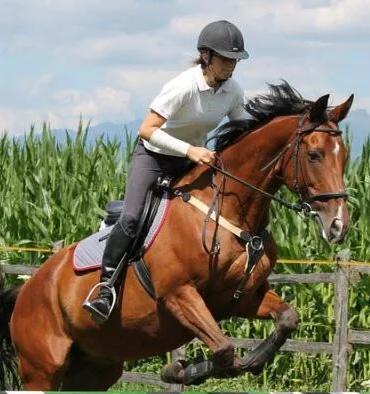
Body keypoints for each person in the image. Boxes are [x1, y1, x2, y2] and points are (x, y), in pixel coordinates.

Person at [83, 19, 251, 324]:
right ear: (205, 55)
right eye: (226, 58)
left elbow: (242, 129)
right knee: (131, 218)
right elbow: (147, 129)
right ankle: (105, 288)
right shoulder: (183, 86)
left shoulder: (232, 91)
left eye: (235, 60)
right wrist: (190, 150)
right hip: (154, 158)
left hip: (191, 162)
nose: (231, 65)